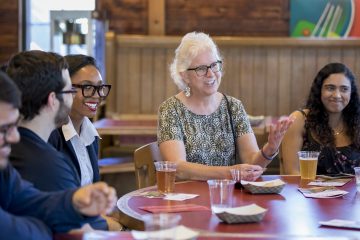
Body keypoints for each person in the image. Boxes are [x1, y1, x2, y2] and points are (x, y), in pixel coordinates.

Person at [157, 32, 293, 181]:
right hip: (187, 199)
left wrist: (270, 148)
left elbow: (252, 163)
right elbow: (178, 167)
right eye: (201, 69)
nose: (211, 74)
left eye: (214, 65)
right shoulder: (170, 109)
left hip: (227, 198)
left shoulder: (233, 106)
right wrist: (229, 172)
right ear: (184, 75)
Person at [6, 50, 117, 230]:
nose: (96, 95)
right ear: (52, 99)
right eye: (69, 91)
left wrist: (74, 202)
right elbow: (74, 228)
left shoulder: (19, 161)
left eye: (99, 87)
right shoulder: (47, 160)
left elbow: (29, 201)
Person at [282, 62, 360, 175]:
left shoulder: (357, 122)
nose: (337, 95)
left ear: (351, 94)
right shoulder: (300, 120)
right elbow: (292, 173)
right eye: (330, 88)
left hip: (354, 192)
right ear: (319, 90)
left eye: (344, 89)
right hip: (307, 191)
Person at [49, 54, 111, 186]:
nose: (96, 95)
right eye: (87, 87)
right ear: (64, 88)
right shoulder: (51, 136)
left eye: (100, 87)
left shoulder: (91, 134)